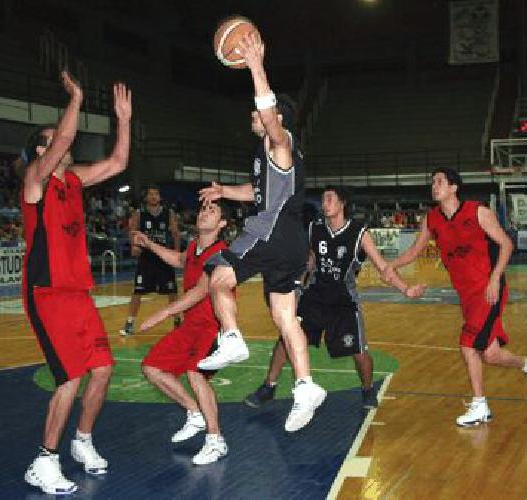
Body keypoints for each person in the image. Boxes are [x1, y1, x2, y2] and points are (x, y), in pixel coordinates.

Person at [193, 31, 326, 433]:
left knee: (217, 275)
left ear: (277, 119)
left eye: (258, 113)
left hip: (271, 231)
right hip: (290, 242)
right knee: (286, 317)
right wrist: (223, 192)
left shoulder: (279, 142)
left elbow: (270, 119)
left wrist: (255, 66)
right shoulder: (271, 159)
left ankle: (231, 337)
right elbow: (255, 191)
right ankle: (305, 385)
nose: (253, 116)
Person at [19, 71, 133, 495]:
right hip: (47, 294)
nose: (62, 143)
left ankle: (82, 442)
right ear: (40, 151)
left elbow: (118, 163)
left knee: (102, 370)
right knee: (69, 378)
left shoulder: (72, 181)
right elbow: (65, 141)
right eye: (52, 140)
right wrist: (78, 98)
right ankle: (44, 462)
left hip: (79, 294)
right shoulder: (35, 182)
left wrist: (123, 120)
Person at [244, 186, 425, 410]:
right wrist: (299, 277)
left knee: (359, 352)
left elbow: (383, 268)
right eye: (322, 199)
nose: (324, 203)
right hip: (313, 297)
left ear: (343, 204)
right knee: (285, 339)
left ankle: (367, 389)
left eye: (329, 198)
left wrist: (405, 289)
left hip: (343, 301)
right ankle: (269, 386)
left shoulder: (360, 233)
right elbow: (308, 259)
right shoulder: (314, 228)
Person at [382, 168, 527, 428]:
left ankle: (480, 405)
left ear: (454, 187)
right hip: (466, 295)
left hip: (488, 290)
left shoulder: (478, 212)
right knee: (491, 355)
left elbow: (506, 244)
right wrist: (391, 266)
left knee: (467, 343)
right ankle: (525, 365)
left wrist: (495, 279)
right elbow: (416, 250)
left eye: (439, 182)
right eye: (432, 182)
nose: (434, 186)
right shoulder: (432, 219)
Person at [131, 201, 232, 465]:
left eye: (212, 211)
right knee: (152, 368)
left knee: (195, 374)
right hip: (190, 326)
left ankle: (215, 439)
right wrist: (149, 243)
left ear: (221, 225)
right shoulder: (192, 247)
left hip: (213, 325)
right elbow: (178, 260)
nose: (204, 212)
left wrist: (162, 314)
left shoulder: (221, 252)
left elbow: (200, 291)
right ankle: (195, 413)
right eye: (203, 209)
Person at [120, 186, 181, 336]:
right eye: (151, 194)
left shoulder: (168, 213)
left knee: (172, 291)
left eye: (156, 194)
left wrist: (177, 252)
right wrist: (134, 245)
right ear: (146, 197)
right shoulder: (139, 213)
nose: (154, 196)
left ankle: (178, 321)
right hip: (146, 257)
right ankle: (129, 323)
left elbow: (175, 233)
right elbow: (133, 231)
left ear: (160, 197)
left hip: (164, 256)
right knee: (137, 291)